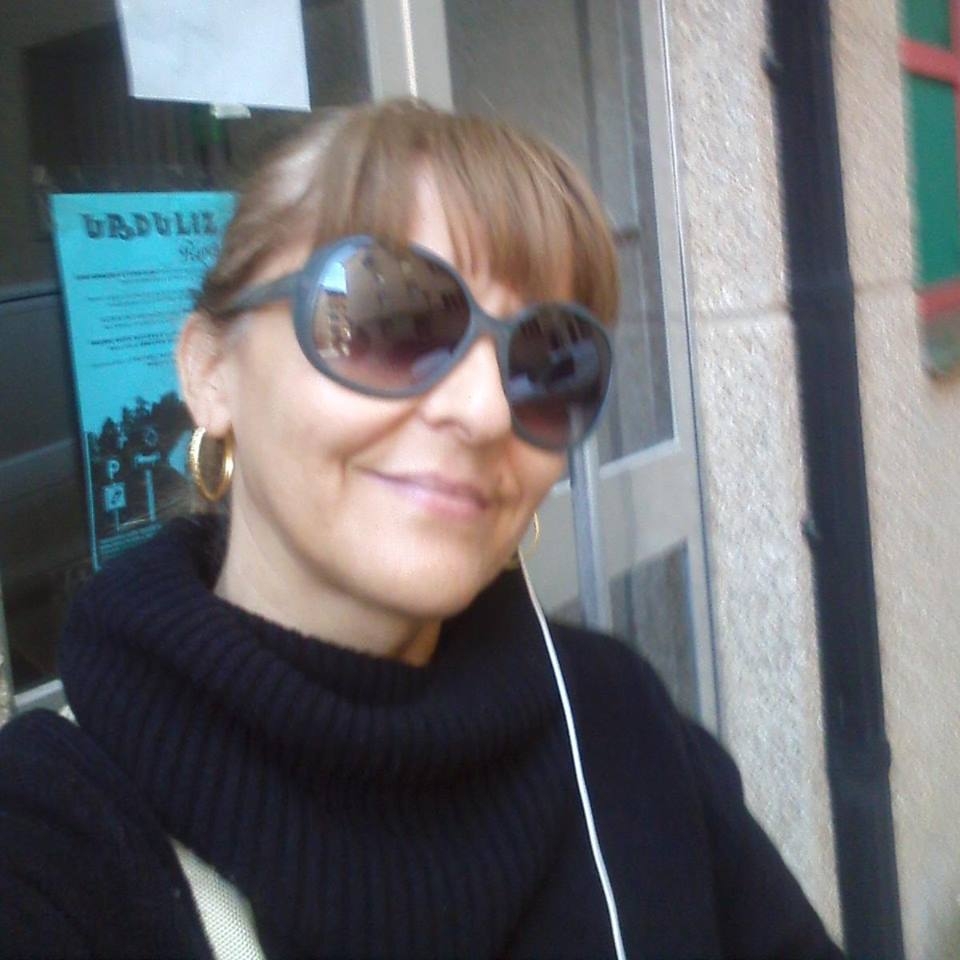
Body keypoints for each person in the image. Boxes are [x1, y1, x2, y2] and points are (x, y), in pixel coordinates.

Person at [0, 99, 843, 959]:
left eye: (548, 359)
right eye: (387, 320)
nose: (485, 412)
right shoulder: (46, 843)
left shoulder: (621, 726)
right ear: (213, 373)